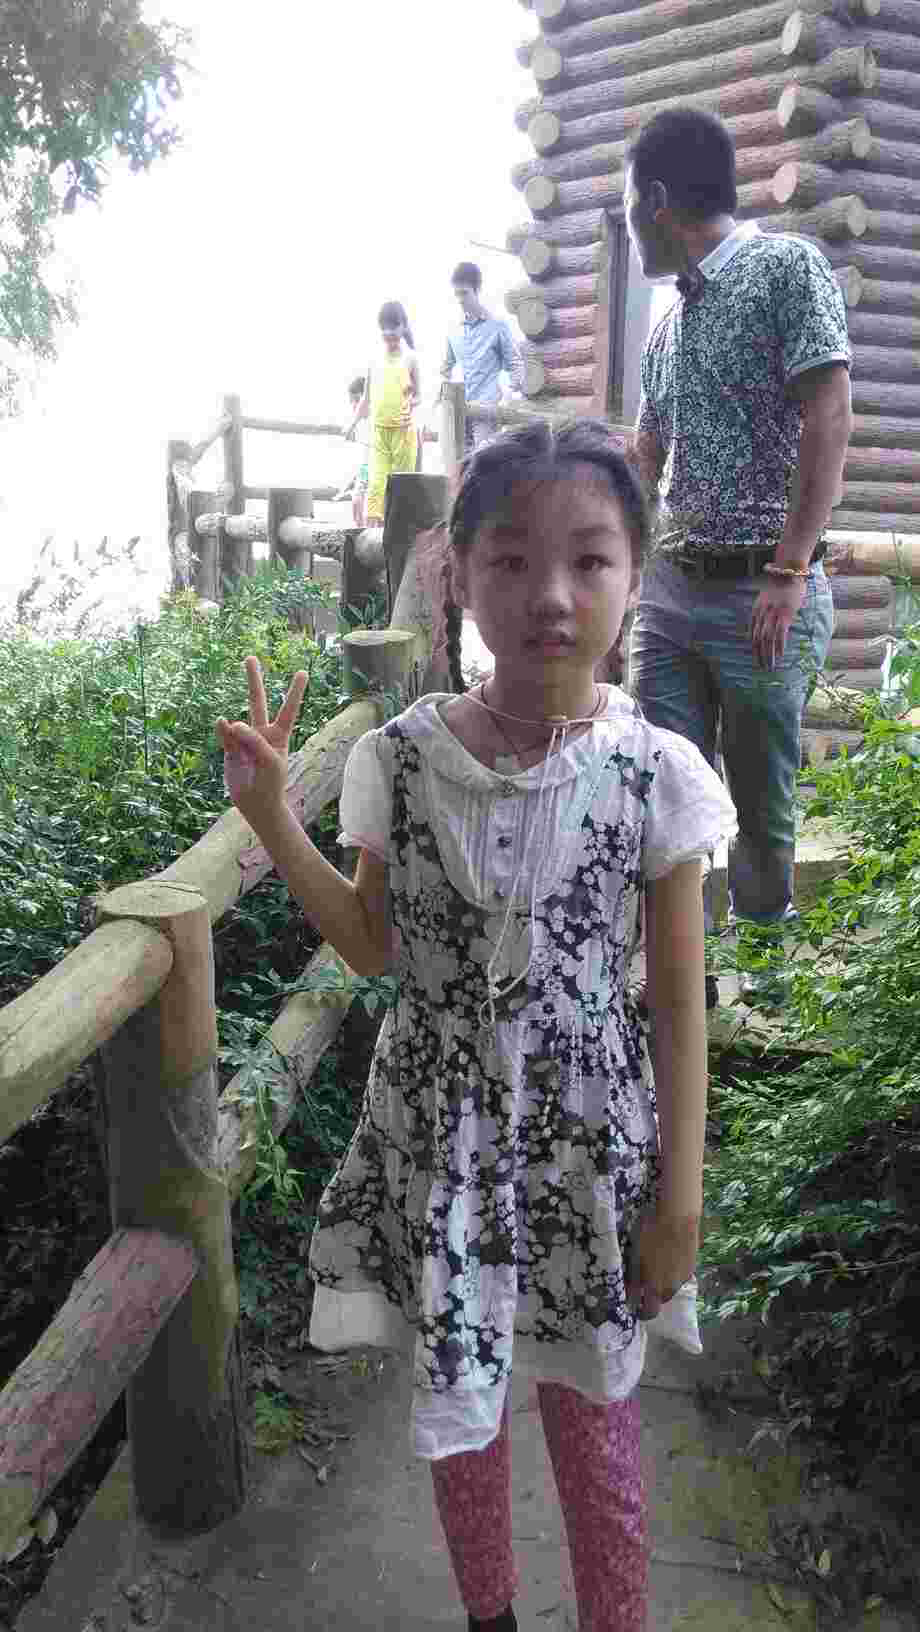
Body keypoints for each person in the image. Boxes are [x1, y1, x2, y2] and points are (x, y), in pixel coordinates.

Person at [216, 419, 736, 1632]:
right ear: (456, 570)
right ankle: (487, 1619)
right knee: (463, 1419)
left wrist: (680, 1200)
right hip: (438, 1143)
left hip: (588, 1156)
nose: (550, 594)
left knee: (599, 1442)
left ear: (634, 573)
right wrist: (271, 817)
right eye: (510, 560)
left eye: (589, 560)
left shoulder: (653, 772)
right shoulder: (402, 761)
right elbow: (374, 945)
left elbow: (674, 1000)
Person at [624, 108, 850, 1004]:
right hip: (669, 595)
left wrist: (792, 570)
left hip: (764, 592)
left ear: (658, 200)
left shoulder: (785, 266)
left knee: (760, 801)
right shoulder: (666, 326)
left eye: (629, 204)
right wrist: (615, 578)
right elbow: (645, 457)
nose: (628, 222)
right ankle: (681, 977)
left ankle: (765, 984)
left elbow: (829, 411)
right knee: (661, 792)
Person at [347, 301, 420, 526]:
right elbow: (366, 399)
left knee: (401, 487)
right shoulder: (374, 360)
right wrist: (351, 424)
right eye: (385, 329)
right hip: (379, 432)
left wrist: (411, 403)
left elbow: (418, 396)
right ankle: (373, 536)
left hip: (403, 433)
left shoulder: (410, 358)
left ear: (403, 326)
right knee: (376, 485)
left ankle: (399, 535)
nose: (389, 333)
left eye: (393, 328)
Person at [442, 261, 524, 449]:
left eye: (464, 293)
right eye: (457, 294)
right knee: (458, 462)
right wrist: (444, 398)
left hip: (486, 413)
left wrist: (509, 395)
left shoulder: (497, 326)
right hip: (459, 412)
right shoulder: (453, 331)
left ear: (477, 290)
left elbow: (516, 363)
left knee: (483, 461)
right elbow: (445, 368)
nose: (460, 300)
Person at [334, 375, 370, 526]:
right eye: (352, 402)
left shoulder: (374, 422)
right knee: (358, 495)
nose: (354, 406)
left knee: (359, 495)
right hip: (366, 468)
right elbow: (363, 463)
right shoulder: (361, 425)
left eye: (356, 400)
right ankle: (359, 527)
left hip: (374, 468)